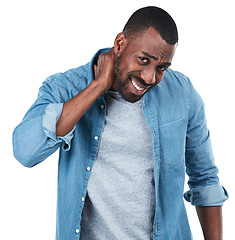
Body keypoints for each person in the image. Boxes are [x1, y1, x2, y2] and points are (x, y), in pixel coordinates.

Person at [12, 6, 228, 240]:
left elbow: (205, 179)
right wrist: (97, 87)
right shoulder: (65, 88)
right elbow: (26, 152)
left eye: (161, 68)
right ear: (120, 43)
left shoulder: (182, 94)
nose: (149, 77)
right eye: (143, 60)